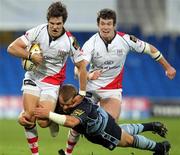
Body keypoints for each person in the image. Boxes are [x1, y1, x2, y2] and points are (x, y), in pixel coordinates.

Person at [65, 8, 177, 155]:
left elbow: (150, 49)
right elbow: (78, 69)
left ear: (114, 25)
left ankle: (155, 139)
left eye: (108, 24)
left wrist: (168, 67)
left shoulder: (125, 40)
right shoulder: (91, 44)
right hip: (90, 89)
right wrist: (90, 75)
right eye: (102, 24)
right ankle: (68, 153)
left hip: (111, 91)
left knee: (108, 130)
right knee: (78, 123)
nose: (105, 27)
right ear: (98, 25)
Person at [7, 1, 87, 155]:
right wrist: (30, 56)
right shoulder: (38, 31)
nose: (55, 26)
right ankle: (35, 154)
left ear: (63, 22)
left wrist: (82, 93)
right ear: (47, 21)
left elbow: (82, 67)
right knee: (29, 118)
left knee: (43, 121)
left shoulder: (70, 41)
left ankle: (51, 121)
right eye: (52, 23)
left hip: (52, 82)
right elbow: (12, 48)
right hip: (33, 77)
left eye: (58, 23)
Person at [33, 84, 170, 155]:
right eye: (62, 104)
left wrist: (49, 114)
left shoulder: (83, 106)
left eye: (68, 104)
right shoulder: (66, 102)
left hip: (103, 130)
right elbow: (73, 128)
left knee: (128, 140)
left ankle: (160, 148)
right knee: (123, 132)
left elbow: (72, 122)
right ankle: (151, 126)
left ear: (75, 98)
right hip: (98, 122)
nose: (64, 107)